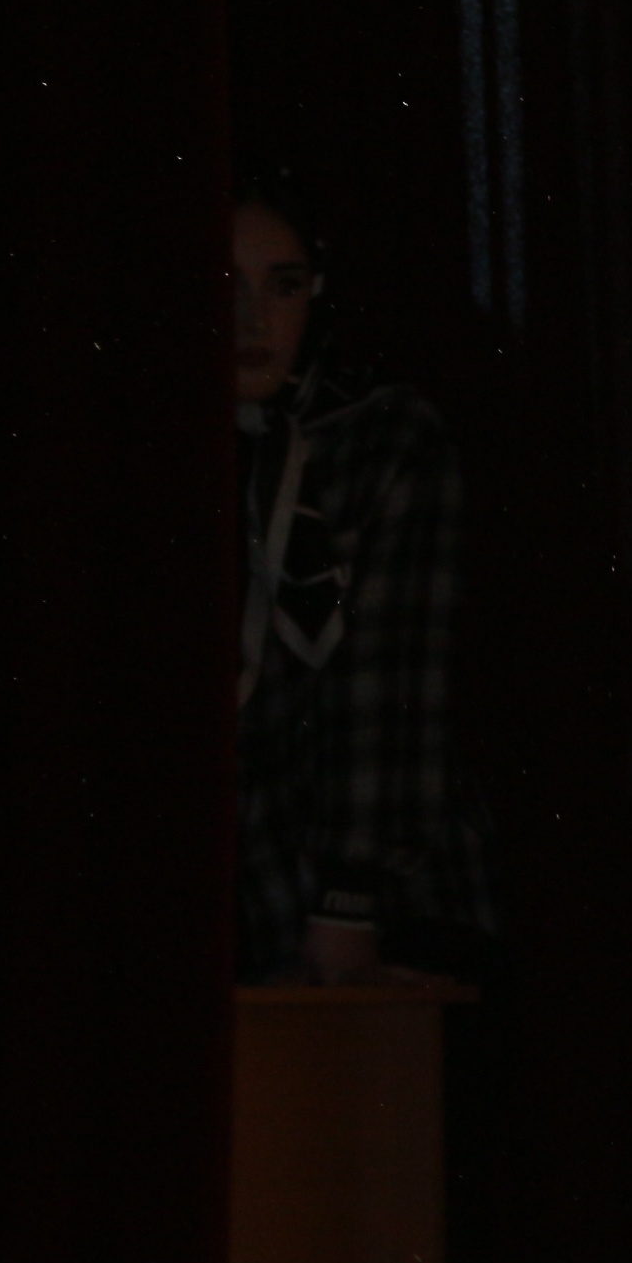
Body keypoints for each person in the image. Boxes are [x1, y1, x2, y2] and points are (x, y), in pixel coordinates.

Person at [231, 182, 491, 984]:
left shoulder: (379, 438)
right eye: (225, 285)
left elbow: (392, 682)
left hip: (372, 902)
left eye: (283, 286)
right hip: (247, 893)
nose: (252, 320)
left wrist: (347, 906)